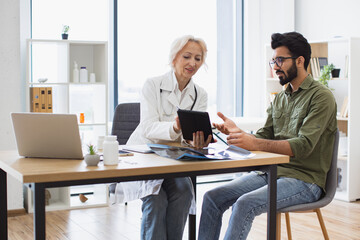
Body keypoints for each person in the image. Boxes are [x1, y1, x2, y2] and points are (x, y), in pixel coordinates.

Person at [198, 31, 337, 240]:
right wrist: (238, 132)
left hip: (305, 179)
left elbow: (302, 146)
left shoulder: (321, 97)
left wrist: (254, 141)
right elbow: (263, 137)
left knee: (245, 203)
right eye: (273, 61)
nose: (275, 66)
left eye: (280, 60)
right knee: (212, 197)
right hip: (271, 173)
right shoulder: (280, 97)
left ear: (300, 61)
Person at [115, 35, 212, 240]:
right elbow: (148, 128)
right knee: (156, 200)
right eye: (187, 56)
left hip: (173, 158)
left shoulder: (199, 94)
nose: (192, 63)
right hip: (144, 155)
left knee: (184, 191)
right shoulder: (152, 85)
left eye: (197, 58)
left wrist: (197, 141)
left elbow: (189, 138)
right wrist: (176, 126)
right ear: (174, 58)